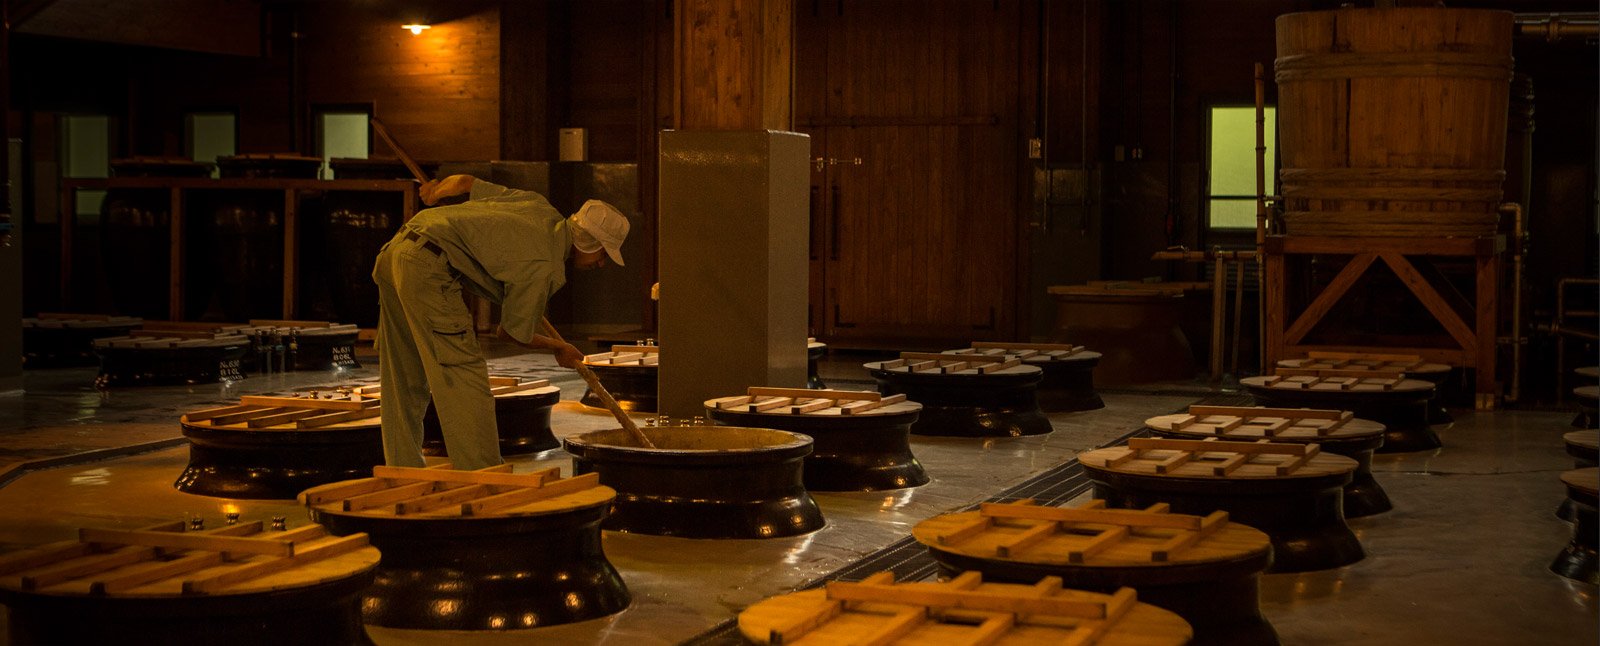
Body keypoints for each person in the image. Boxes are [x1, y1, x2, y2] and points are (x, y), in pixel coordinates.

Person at [371, 174, 630, 471]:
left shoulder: (537, 205)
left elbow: (465, 183)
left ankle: (402, 470)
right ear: (588, 241)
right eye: (602, 253)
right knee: (463, 375)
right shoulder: (545, 265)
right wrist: (558, 346)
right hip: (427, 268)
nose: (602, 262)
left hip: (396, 252)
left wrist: (435, 191)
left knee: (403, 374)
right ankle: (484, 475)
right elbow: (510, 332)